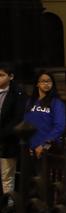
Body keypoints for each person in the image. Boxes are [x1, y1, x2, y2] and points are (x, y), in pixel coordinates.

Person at [24, 72, 66, 159]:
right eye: (43, 81)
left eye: (49, 81)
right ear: (37, 84)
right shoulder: (30, 102)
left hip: (48, 147)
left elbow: (59, 126)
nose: (46, 84)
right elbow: (25, 123)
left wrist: (43, 144)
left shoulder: (57, 103)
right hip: (30, 146)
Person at [0, 65, 24, 196]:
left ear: (11, 76)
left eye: (1, 75)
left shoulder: (17, 93)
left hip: (7, 141)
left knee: (7, 177)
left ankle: (7, 210)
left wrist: (3, 134)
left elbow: (17, 118)